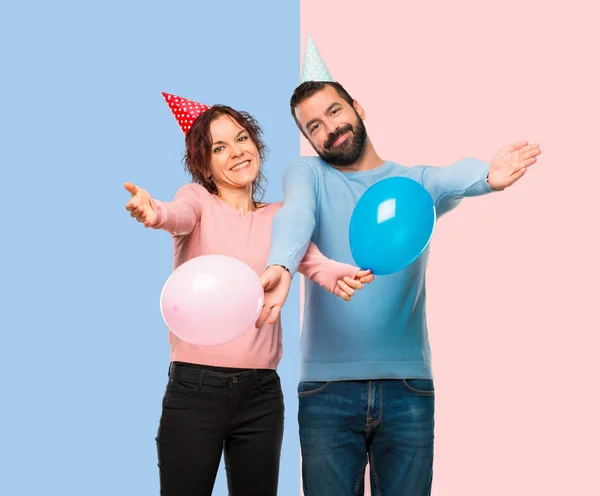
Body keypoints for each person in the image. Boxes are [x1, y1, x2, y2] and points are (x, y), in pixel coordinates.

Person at [258, 77, 541, 495]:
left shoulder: (413, 183)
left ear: (358, 107)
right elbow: (295, 214)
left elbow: (451, 175)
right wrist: (281, 263)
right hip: (326, 391)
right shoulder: (307, 173)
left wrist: (487, 175)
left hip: (408, 390)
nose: (329, 128)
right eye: (313, 126)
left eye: (334, 111)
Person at [124, 93, 373, 496]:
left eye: (241, 138)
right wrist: (153, 211)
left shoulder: (280, 216)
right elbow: (175, 215)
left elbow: (310, 261)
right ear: (204, 165)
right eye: (219, 148)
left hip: (261, 394)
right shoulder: (198, 201)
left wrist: (340, 273)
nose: (236, 152)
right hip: (194, 390)